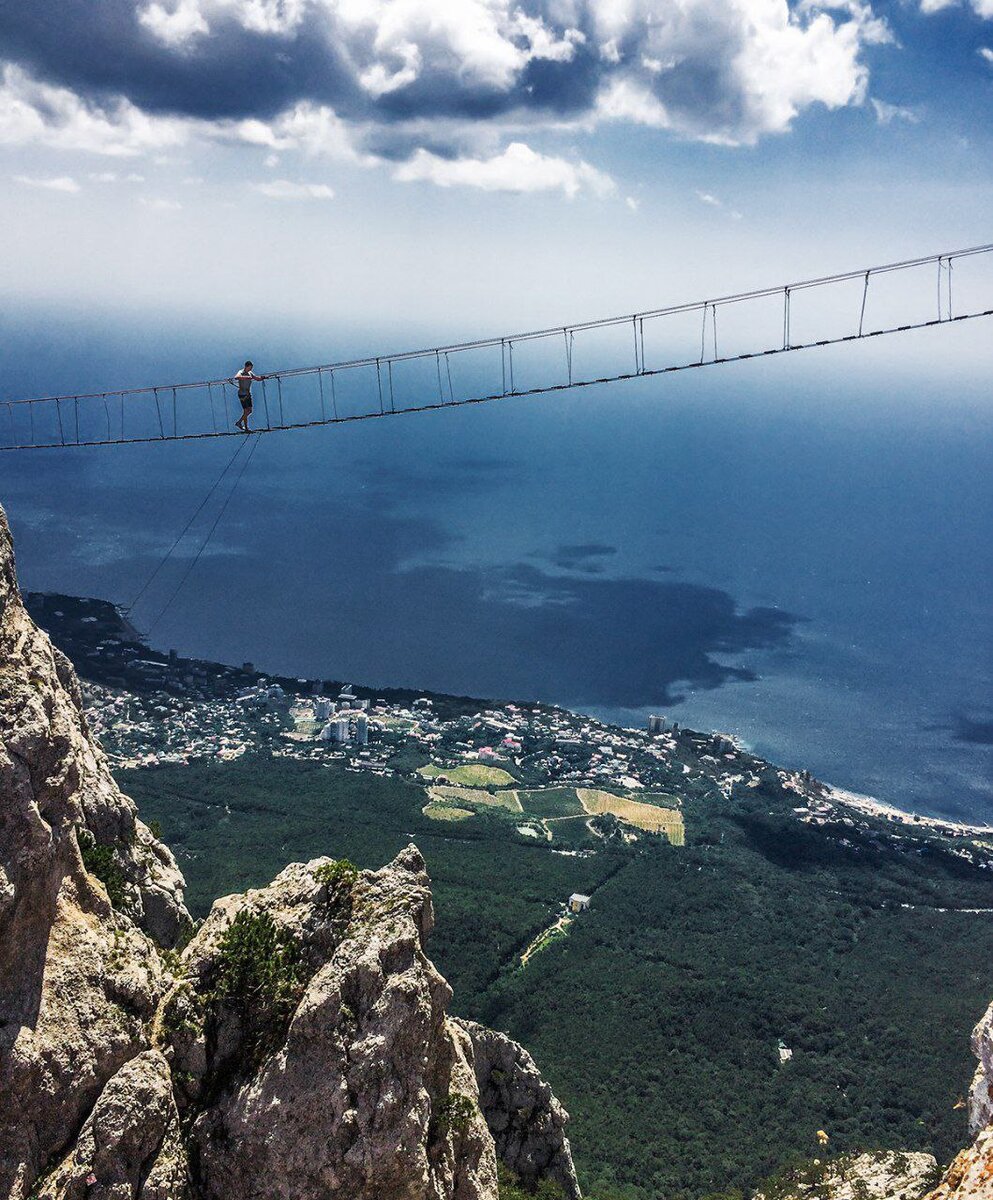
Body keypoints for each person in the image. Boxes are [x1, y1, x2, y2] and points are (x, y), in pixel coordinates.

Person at [233, 360, 263, 431]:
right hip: (242, 394)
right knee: (247, 411)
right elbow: (236, 377)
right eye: (250, 367)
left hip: (248, 394)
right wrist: (247, 377)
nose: (251, 369)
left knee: (248, 411)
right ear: (246, 366)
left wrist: (263, 378)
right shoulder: (241, 372)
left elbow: (256, 378)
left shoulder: (250, 373)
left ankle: (243, 425)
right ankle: (241, 424)